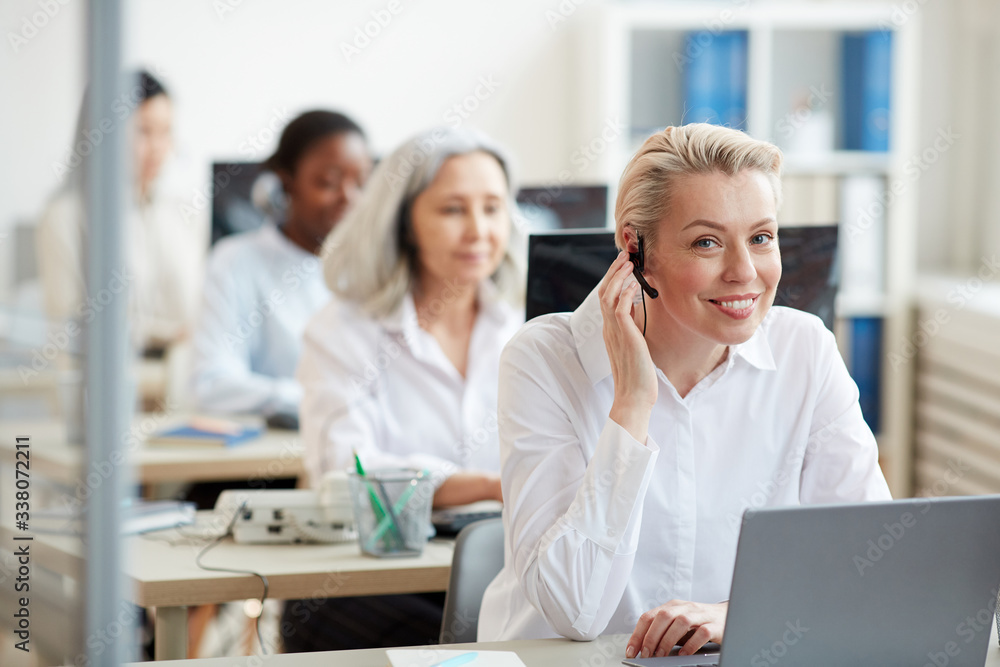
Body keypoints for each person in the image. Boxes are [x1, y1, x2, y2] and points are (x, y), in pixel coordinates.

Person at [477, 124, 891, 659]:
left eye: (761, 238)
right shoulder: (545, 360)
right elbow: (574, 611)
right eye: (707, 242)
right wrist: (631, 403)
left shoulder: (805, 348)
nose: (745, 272)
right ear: (634, 248)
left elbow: (867, 566)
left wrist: (730, 614)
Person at [282, 127, 524, 651]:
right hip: (372, 585)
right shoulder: (344, 330)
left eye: (493, 208)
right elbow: (348, 473)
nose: (479, 231)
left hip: (497, 573)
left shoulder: (528, 327)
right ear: (406, 221)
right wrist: (486, 485)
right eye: (453, 210)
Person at [191, 110, 372, 417]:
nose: (348, 197)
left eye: (361, 183)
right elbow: (211, 385)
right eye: (329, 182)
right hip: (275, 452)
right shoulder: (236, 260)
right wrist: (317, 400)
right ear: (287, 184)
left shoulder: (374, 266)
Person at [37, 70, 207, 357]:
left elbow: (200, 312)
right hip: (103, 392)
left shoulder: (184, 214)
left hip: (180, 390)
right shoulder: (65, 217)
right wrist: (164, 335)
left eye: (166, 132)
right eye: (143, 131)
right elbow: (69, 329)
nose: (158, 147)